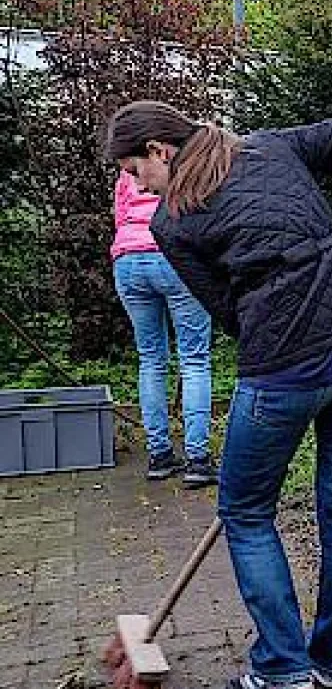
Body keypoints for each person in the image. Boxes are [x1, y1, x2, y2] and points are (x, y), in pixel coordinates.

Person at [105, 100, 332, 689]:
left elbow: (226, 311)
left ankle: (281, 664)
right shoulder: (270, 146)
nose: (135, 183)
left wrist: (285, 336)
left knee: (244, 511)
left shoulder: (175, 220)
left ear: (161, 151)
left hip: (285, 371)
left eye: (135, 170)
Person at [111, 170, 216, 486]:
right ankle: (198, 459)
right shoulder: (187, 162)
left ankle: (159, 456)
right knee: (194, 359)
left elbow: (120, 217)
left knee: (151, 359)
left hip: (127, 259)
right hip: (172, 253)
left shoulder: (129, 172)